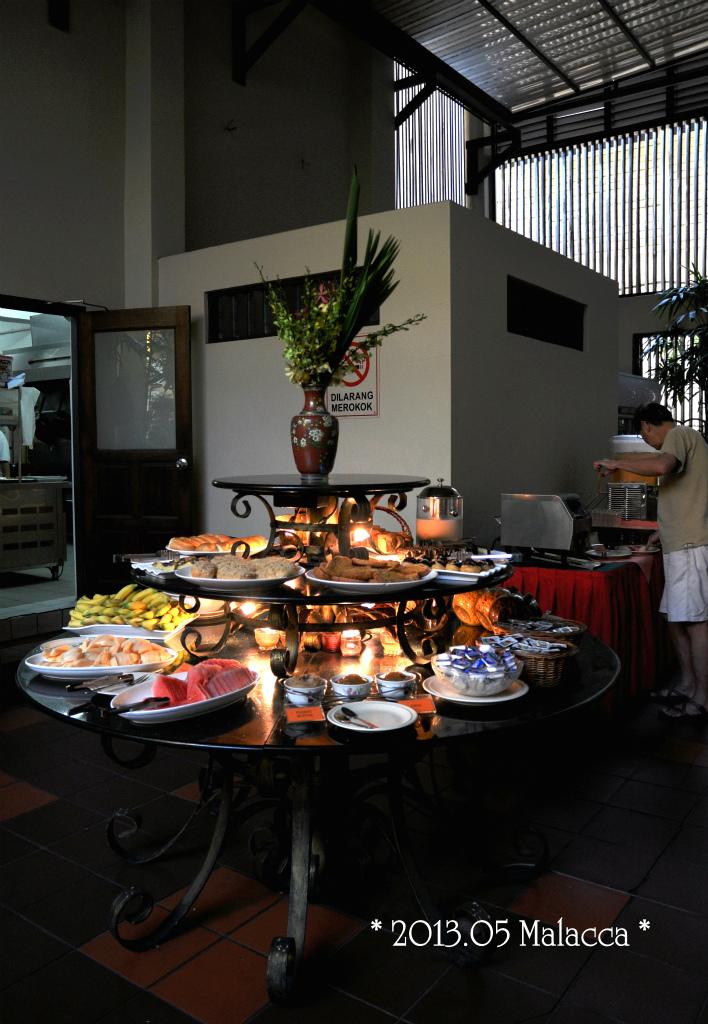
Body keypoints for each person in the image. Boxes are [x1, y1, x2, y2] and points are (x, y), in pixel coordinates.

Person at [594, 403, 708, 719]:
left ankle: (702, 698)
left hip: (690, 545)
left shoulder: (678, 434)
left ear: (646, 425)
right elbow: (685, 493)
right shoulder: (685, 439)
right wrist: (662, 530)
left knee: (695, 621)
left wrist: (616, 463)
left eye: (645, 438)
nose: (650, 444)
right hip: (679, 543)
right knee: (675, 618)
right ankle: (687, 685)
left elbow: (662, 466)